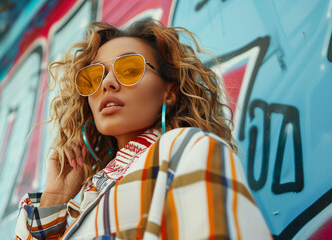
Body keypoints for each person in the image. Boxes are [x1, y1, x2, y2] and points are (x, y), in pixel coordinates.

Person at [15, 19, 271, 239]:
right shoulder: (86, 198)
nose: (108, 83)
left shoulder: (187, 150)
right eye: (94, 77)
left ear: (168, 92)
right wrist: (55, 197)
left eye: (129, 69)